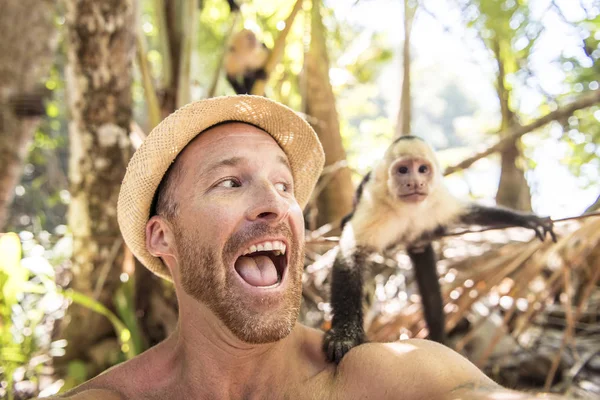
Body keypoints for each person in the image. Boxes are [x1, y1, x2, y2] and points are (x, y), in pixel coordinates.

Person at [53, 96, 570, 400]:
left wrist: (526, 219)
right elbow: (350, 258)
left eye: (285, 187)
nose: (274, 206)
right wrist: (348, 327)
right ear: (161, 236)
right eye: (230, 182)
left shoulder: (387, 378)